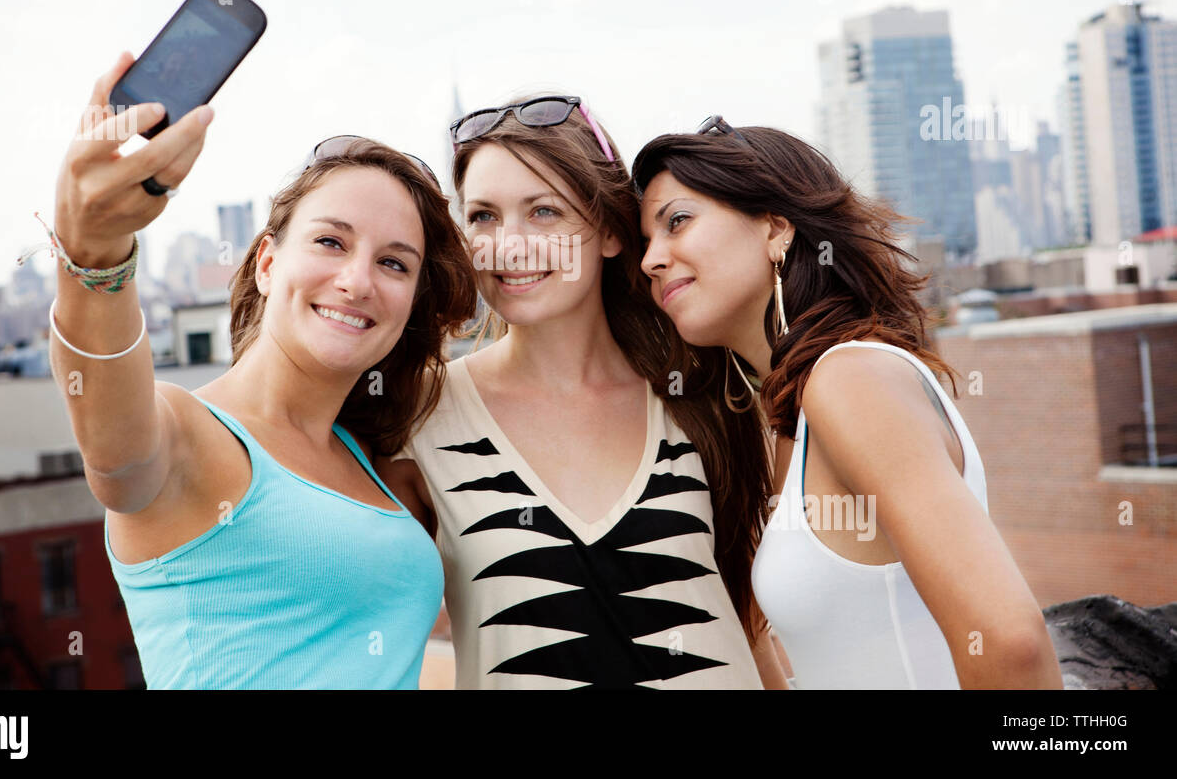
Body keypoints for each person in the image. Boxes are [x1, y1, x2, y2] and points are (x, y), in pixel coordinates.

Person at [44, 52, 477, 688]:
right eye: (330, 242)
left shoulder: (380, 464)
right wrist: (94, 252)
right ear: (267, 265)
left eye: (394, 263)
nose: (357, 280)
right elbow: (114, 445)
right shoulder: (186, 437)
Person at [632, 116, 1063, 689]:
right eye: (646, 242)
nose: (651, 260)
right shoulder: (791, 416)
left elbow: (1012, 644)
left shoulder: (850, 379)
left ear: (776, 229)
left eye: (677, 222)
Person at [378, 95, 784, 689]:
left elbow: (747, 625)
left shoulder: (704, 391)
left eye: (542, 212)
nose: (508, 244)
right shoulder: (418, 414)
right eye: (484, 216)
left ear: (612, 232)